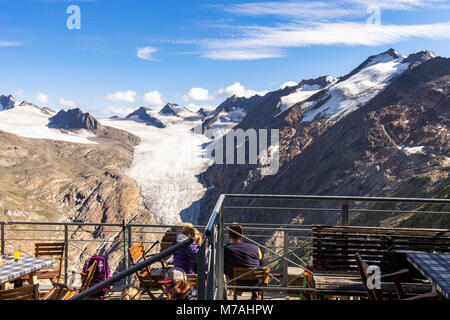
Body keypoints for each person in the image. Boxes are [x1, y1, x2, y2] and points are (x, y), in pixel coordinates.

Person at [224, 223, 263, 300]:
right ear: (241, 234)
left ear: (229, 235)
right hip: (256, 283)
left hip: (237, 283)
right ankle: (255, 295)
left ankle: (223, 297)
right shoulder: (255, 247)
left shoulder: (226, 249)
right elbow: (261, 263)